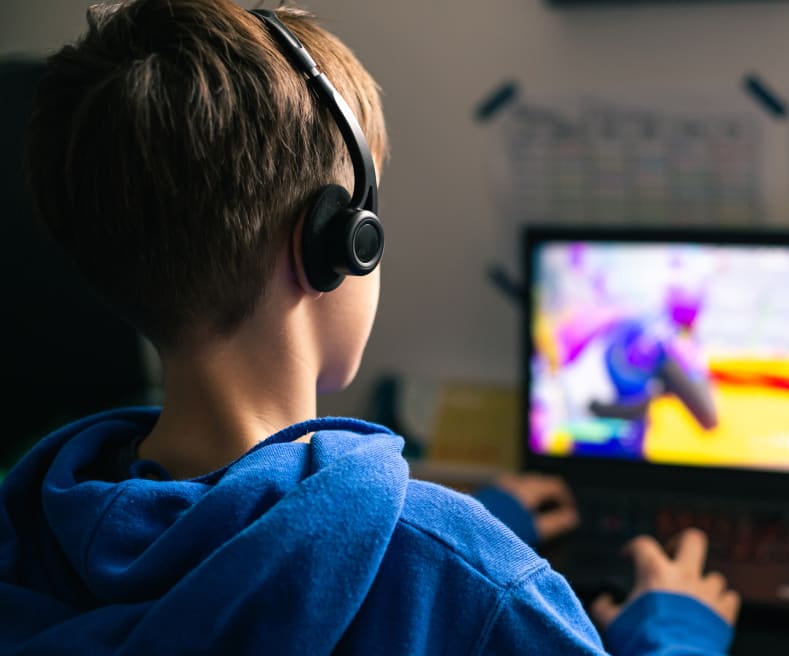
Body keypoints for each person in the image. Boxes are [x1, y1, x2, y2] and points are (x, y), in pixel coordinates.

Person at [0, 1, 739, 654]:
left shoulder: (32, 540)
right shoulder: (477, 586)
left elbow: (245, 553)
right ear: (330, 244)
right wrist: (673, 631)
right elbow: (423, 584)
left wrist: (454, 521)